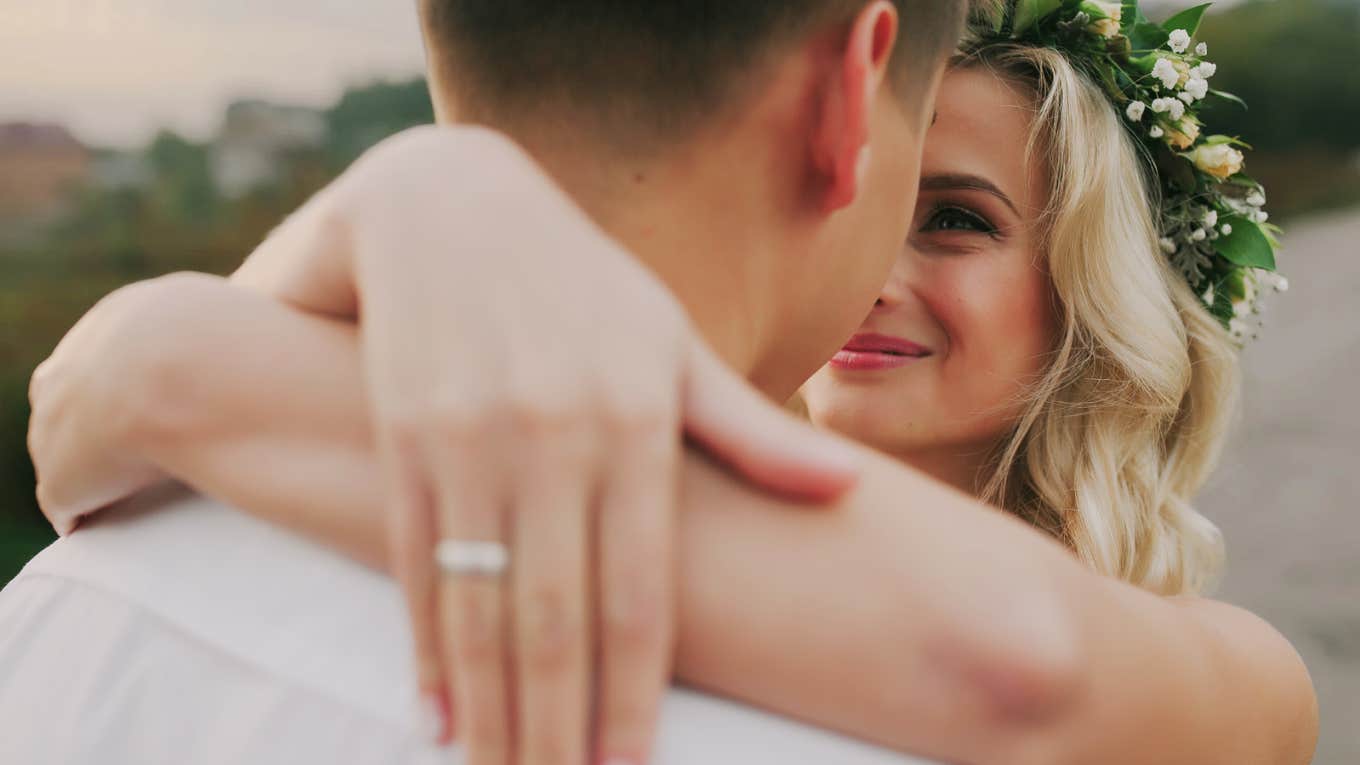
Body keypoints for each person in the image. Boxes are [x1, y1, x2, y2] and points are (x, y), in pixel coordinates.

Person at [14, 2, 1323, 765]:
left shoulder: (68, 595)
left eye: (963, 219)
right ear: (852, 90)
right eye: (907, 195)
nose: (887, 277)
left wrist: (162, 360)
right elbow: (1019, 666)